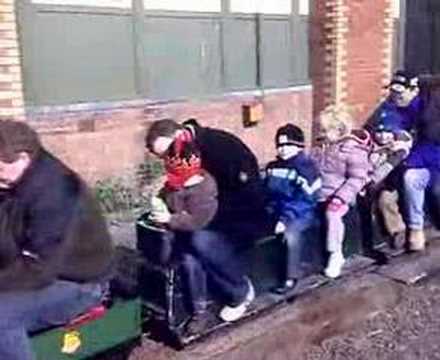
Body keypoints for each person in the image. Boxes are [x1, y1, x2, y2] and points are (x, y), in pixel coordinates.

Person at [0, 119, 114, 360]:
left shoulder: (54, 194)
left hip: (78, 283)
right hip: (36, 266)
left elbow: (40, 268)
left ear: (22, 158)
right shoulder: (13, 181)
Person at [144, 125, 254, 331]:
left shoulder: (217, 155)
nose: (165, 160)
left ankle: (240, 290)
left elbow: (199, 219)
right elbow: (169, 196)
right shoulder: (178, 178)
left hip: (233, 217)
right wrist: (160, 205)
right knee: (187, 258)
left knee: (198, 242)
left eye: (167, 153)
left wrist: (172, 219)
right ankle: (198, 310)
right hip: (191, 225)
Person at [146, 118, 268, 237]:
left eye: (169, 151)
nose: (169, 159)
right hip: (200, 213)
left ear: (180, 134)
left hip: (237, 214)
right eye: (163, 157)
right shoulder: (184, 154)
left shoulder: (221, 147)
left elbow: (248, 190)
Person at [311, 105, 371, 278]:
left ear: (338, 130)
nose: (321, 133)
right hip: (319, 193)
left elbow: (357, 178)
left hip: (340, 196)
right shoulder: (320, 148)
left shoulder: (352, 150)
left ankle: (335, 254)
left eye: (325, 130)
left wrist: (340, 198)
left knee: (332, 215)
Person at [264, 124, 321, 294]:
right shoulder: (273, 166)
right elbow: (267, 191)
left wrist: (285, 218)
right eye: (280, 145)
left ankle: (291, 276)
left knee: (290, 235)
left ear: (299, 146)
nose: (283, 149)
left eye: (288, 145)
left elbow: (306, 200)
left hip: (300, 213)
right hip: (277, 210)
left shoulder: (306, 169)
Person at [367, 119, 413, 249]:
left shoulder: (400, 148)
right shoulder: (373, 147)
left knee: (385, 199)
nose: (382, 136)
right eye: (379, 132)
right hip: (382, 184)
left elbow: (388, 166)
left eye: (387, 132)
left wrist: (371, 180)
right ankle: (389, 233)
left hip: (397, 184)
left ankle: (399, 231)